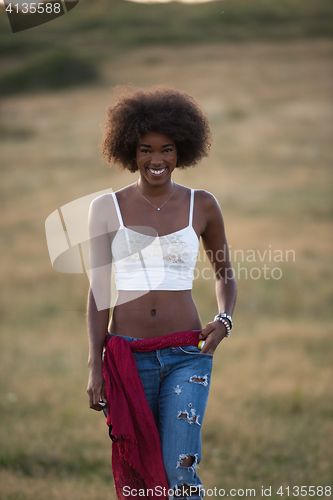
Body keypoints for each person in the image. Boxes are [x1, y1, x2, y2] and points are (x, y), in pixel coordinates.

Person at [86, 86, 237, 500]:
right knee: (143, 472)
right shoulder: (106, 208)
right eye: (145, 150)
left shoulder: (201, 205)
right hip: (127, 356)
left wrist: (224, 321)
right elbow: (99, 290)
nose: (157, 160)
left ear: (181, 151)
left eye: (167, 149)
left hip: (187, 355)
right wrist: (95, 365)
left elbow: (225, 275)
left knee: (179, 472)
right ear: (129, 152)